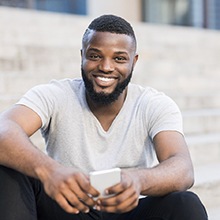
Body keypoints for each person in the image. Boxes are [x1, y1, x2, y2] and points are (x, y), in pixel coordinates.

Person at [0, 14, 207, 220]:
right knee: (8, 168)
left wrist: (137, 180)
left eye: (119, 58)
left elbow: (182, 168)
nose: (106, 67)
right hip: (67, 209)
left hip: (127, 211)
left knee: (185, 203)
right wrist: (50, 171)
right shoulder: (55, 94)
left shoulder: (153, 104)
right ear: (82, 56)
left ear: (133, 62)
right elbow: (4, 129)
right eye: (95, 56)